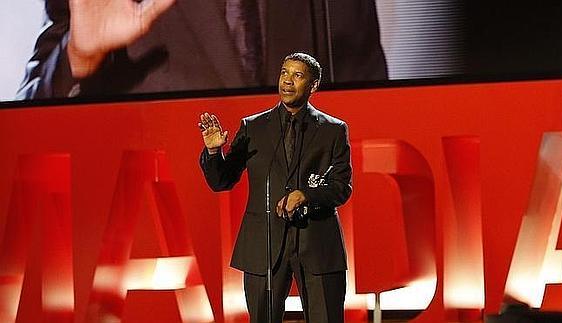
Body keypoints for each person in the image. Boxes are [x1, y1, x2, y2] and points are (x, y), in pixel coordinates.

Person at [199, 52, 351, 323]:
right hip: (263, 246)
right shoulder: (253, 127)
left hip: (317, 244)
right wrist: (213, 153)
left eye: (297, 75)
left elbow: (341, 187)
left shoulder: (333, 130)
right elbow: (222, 180)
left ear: (313, 85)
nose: (287, 81)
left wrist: (306, 195)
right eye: (284, 72)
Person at [16, 0, 387, 99]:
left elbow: (376, 121)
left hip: (299, 264)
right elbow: (27, 122)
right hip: (161, 262)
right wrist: (79, 58)